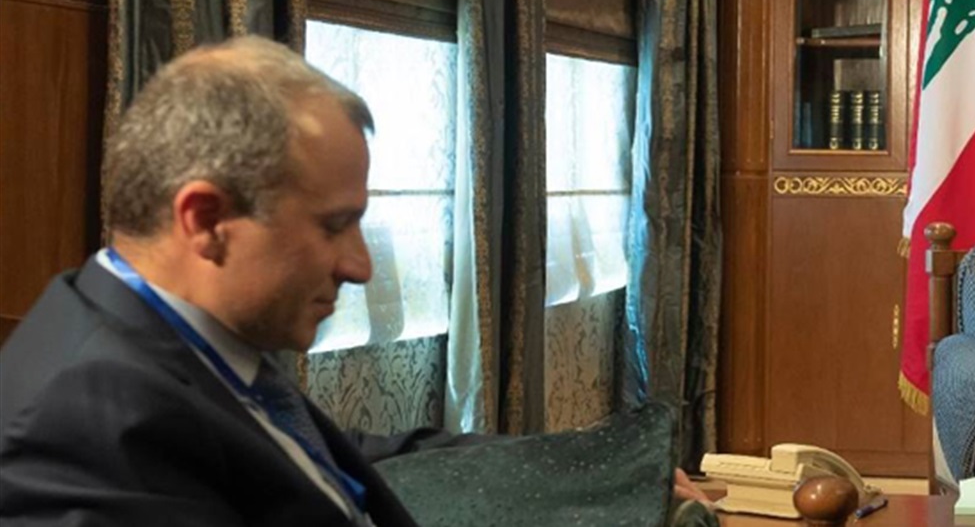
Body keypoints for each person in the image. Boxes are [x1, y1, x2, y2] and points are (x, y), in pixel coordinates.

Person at [0, 36, 708, 526]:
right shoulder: (82, 431)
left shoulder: (179, 342)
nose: (360, 266)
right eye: (334, 225)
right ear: (207, 220)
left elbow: (344, 458)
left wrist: (609, 467)